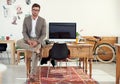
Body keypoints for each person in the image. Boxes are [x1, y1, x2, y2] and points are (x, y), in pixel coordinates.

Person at [16, 3, 46, 81]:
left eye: (37, 10)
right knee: (18, 42)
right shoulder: (26, 19)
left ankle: (32, 74)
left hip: (37, 39)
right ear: (31, 10)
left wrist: (37, 42)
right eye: (34, 10)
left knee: (35, 55)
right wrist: (28, 40)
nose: (35, 12)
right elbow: (24, 32)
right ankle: (34, 49)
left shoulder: (42, 20)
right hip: (28, 38)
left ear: (39, 11)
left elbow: (44, 34)